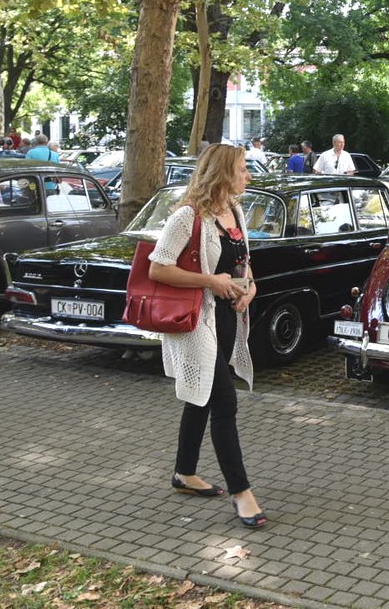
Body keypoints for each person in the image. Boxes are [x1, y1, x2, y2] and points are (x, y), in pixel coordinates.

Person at [148, 144, 266, 529]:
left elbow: (243, 264)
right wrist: (209, 281)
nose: (248, 176)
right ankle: (242, 493)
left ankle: (184, 473)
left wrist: (249, 288)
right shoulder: (187, 216)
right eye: (243, 169)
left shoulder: (234, 212)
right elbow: (158, 270)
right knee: (224, 403)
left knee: (200, 398)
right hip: (196, 322)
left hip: (227, 319)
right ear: (222, 173)